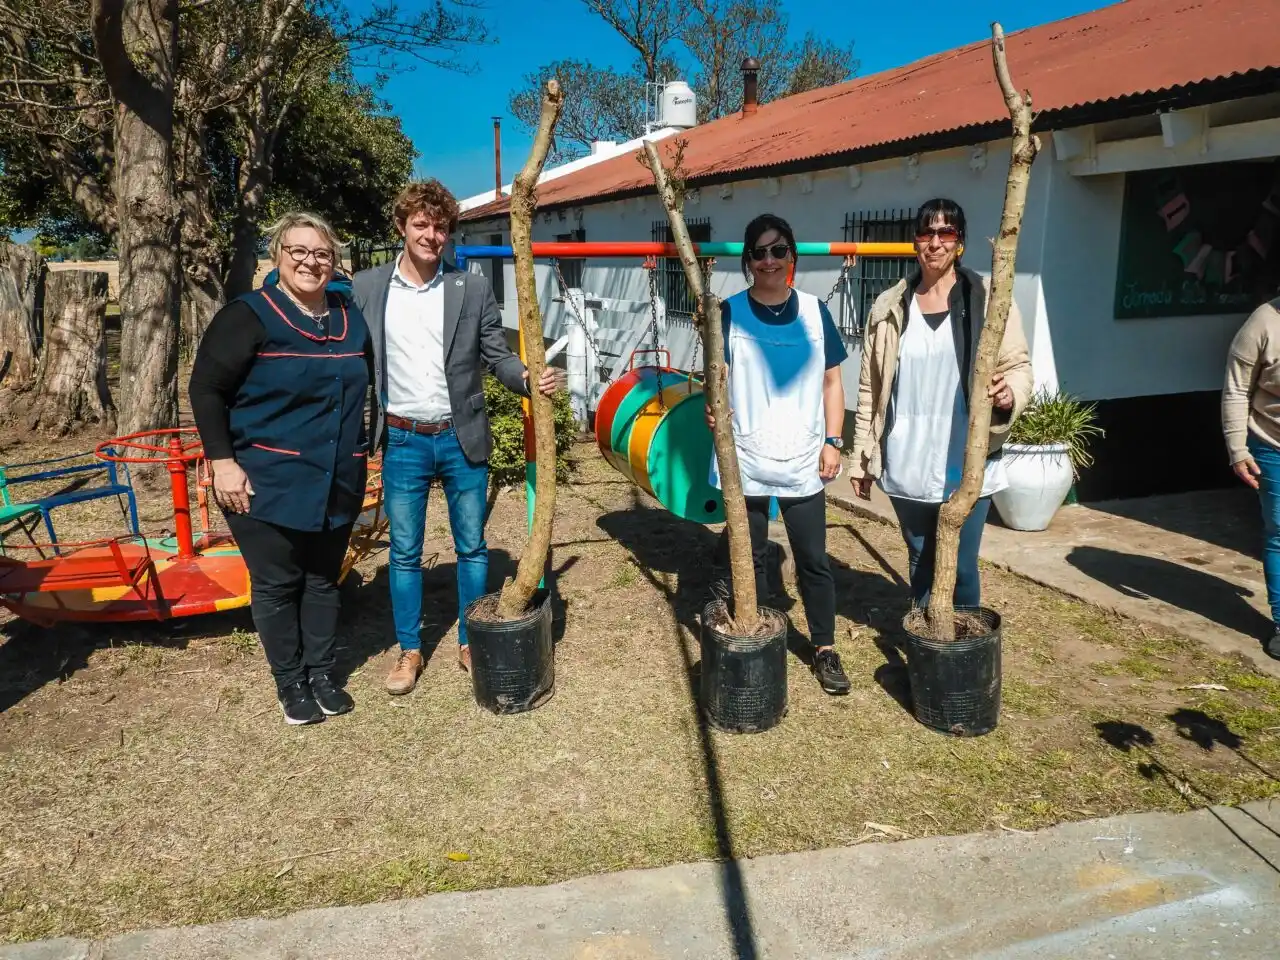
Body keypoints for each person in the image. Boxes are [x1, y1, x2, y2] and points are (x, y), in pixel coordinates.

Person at [352, 180, 560, 694]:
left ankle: (470, 639)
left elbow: (498, 353)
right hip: (402, 439)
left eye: (440, 225)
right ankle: (409, 651)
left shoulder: (469, 287)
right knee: (404, 551)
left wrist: (528, 378)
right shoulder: (368, 288)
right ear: (401, 227)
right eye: (421, 224)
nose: (432, 234)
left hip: (460, 436)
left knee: (471, 547)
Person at [189, 211, 373, 726]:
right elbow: (206, 389)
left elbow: (369, 385)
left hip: (337, 476)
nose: (311, 262)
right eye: (299, 252)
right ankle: (290, 684)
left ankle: (322, 674)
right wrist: (223, 463)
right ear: (278, 256)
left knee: (321, 580)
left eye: (322, 254)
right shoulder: (249, 315)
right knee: (277, 583)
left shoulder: (348, 315)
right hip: (266, 479)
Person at [849, 198, 1033, 612]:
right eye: (926, 232)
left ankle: (961, 653)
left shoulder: (987, 301)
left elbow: (1018, 366)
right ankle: (928, 643)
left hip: (966, 460)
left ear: (960, 242)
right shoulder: (889, 307)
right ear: (915, 241)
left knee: (962, 567)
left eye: (945, 232)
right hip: (906, 457)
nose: (935, 242)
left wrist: (1010, 396)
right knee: (921, 561)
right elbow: (870, 390)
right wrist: (862, 459)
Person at [706, 213, 852, 695]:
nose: (770, 260)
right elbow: (715, 377)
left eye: (779, 250)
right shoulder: (728, 312)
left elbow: (833, 381)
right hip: (746, 456)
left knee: (813, 559)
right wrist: (714, 410)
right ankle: (752, 631)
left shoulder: (814, 311)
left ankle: (825, 648)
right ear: (748, 261)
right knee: (746, 557)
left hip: (803, 459)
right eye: (760, 252)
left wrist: (833, 441)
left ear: (792, 256)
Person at [1222, 293, 1280, 659]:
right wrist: (1237, 448)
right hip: (1272, 445)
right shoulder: (1264, 320)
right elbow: (1237, 388)